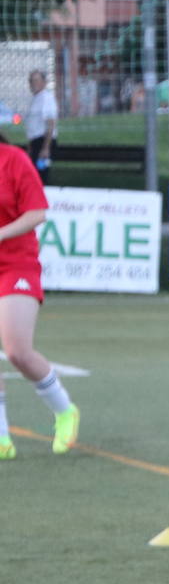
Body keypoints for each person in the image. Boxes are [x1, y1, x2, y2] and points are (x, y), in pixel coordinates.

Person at [0, 135, 79, 458]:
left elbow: (37, 213)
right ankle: (2, 437)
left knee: (17, 351)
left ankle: (64, 411)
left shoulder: (14, 160)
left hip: (15, 264)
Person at [24, 71, 58, 183]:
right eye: (31, 81)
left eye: (36, 80)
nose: (33, 83)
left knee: (41, 174)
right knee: (33, 175)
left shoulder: (46, 98)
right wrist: (30, 146)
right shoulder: (35, 99)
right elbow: (32, 126)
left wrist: (45, 148)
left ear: (43, 82)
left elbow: (50, 123)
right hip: (35, 143)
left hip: (43, 142)